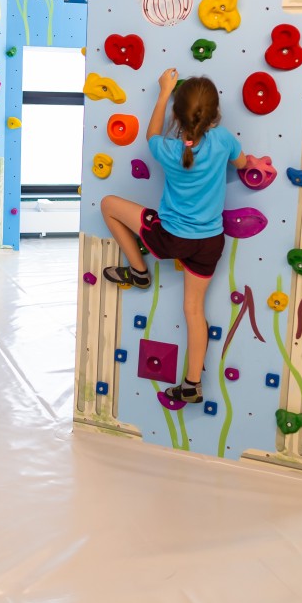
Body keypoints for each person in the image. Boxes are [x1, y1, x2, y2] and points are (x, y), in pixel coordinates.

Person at [99, 70, 247, 406]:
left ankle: (138, 271)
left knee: (108, 204)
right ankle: (192, 384)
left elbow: (150, 135)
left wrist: (164, 91)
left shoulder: (167, 148)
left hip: (171, 238)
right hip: (209, 243)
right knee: (194, 311)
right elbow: (240, 162)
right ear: (215, 115)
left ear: (177, 116)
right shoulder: (224, 140)